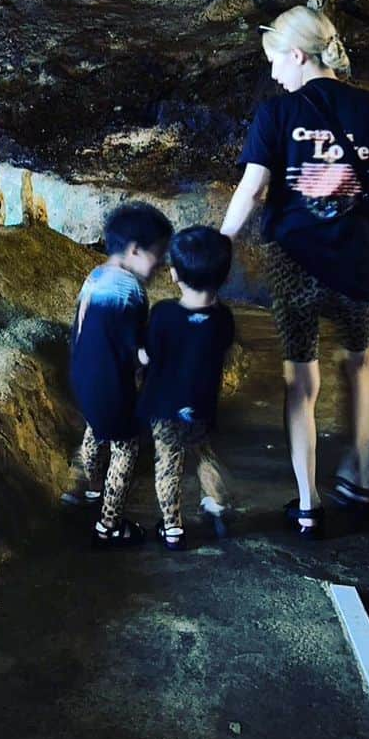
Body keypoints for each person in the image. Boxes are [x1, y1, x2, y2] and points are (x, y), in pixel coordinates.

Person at [220, 5, 369, 536]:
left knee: (301, 380)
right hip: (356, 258)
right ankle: (360, 471)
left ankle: (308, 502)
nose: (272, 74)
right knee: (360, 363)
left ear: (296, 55)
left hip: (295, 262)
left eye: (274, 61)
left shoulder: (277, 113)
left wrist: (220, 243)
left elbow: (252, 189)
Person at [65, 201, 173, 548]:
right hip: (112, 384)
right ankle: (109, 525)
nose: (160, 264)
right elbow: (136, 352)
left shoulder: (95, 276)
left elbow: (80, 328)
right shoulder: (131, 291)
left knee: (95, 430)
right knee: (126, 447)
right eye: (158, 255)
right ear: (136, 250)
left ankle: (93, 490)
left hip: (82, 377)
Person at [139, 226, 234, 551]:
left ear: (175, 274)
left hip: (164, 409)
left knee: (168, 463)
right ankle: (217, 500)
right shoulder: (224, 318)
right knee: (203, 452)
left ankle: (173, 528)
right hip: (202, 408)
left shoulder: (163, 314)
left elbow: (149, 354)